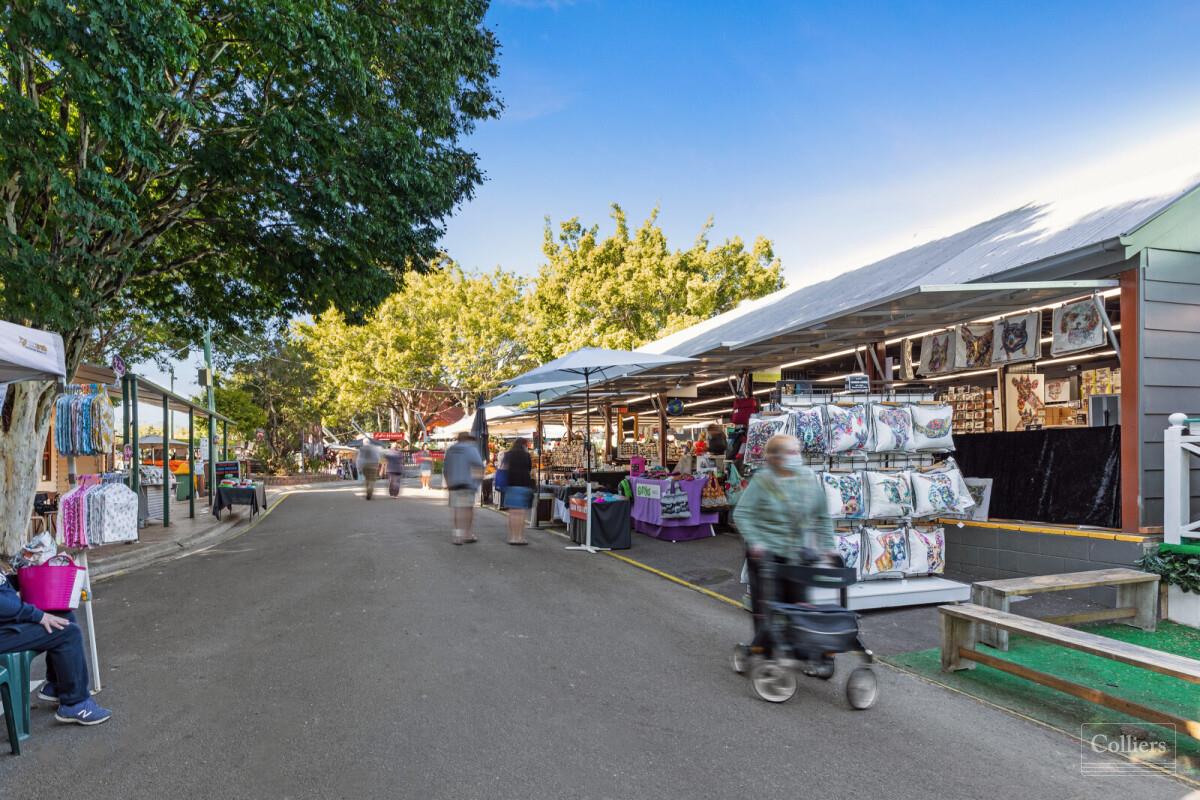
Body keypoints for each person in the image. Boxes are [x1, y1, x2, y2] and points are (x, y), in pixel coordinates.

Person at [732, 434, 833, 660]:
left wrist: (829, 548)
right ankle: (765, 650)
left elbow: (822, 516)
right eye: (791, 452)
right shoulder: (763, 481)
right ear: (775, 458)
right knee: (768, 605)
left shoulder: (808, 479)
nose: (796, 456)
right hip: (766, 555)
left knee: (798, 603)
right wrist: (755, 542)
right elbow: (742, 514)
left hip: (796, 555)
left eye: (797, 451)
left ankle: (799, 648)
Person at [0, 570, 112, 725]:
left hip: (6, 624)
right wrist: (38, 615)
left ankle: (57, 685)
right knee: (68, 633)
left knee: (63, 615)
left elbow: (4, 586)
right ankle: (75, 704)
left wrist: (30, 571)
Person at [442, 432, 485, 545]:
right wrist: (476, 483)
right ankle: (467, 534)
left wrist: (448, 483)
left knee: (457, 509)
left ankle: (457, 536)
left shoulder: (451, 450)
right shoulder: (471, 449)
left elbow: (446, 469)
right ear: (468, 439)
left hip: (453, 484)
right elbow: (479, 467)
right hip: (467, 484)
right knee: (467, 509)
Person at [500, 438, 533, 545]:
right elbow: (529, 469)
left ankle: (513, 537)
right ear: (524, 445)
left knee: (512, 512)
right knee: (521, 513)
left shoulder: (508, 454)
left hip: (511, 484)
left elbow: (503, 468)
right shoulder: (526, 455)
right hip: (524, 484)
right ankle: (520, 537)